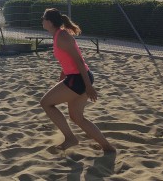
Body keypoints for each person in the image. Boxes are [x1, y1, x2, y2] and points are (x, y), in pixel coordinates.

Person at [39, 8, 116, 153]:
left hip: (79, 80)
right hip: (76, 78)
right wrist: (63, 77)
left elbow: (79, 61)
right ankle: (108, 148)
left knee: (45, 103)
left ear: (49, 22)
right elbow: (67, 60)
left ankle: (70, 138)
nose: (41, 21)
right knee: (77, 117)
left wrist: (88, 87)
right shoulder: (58, 35)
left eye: (43, 18)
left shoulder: (62, 36)